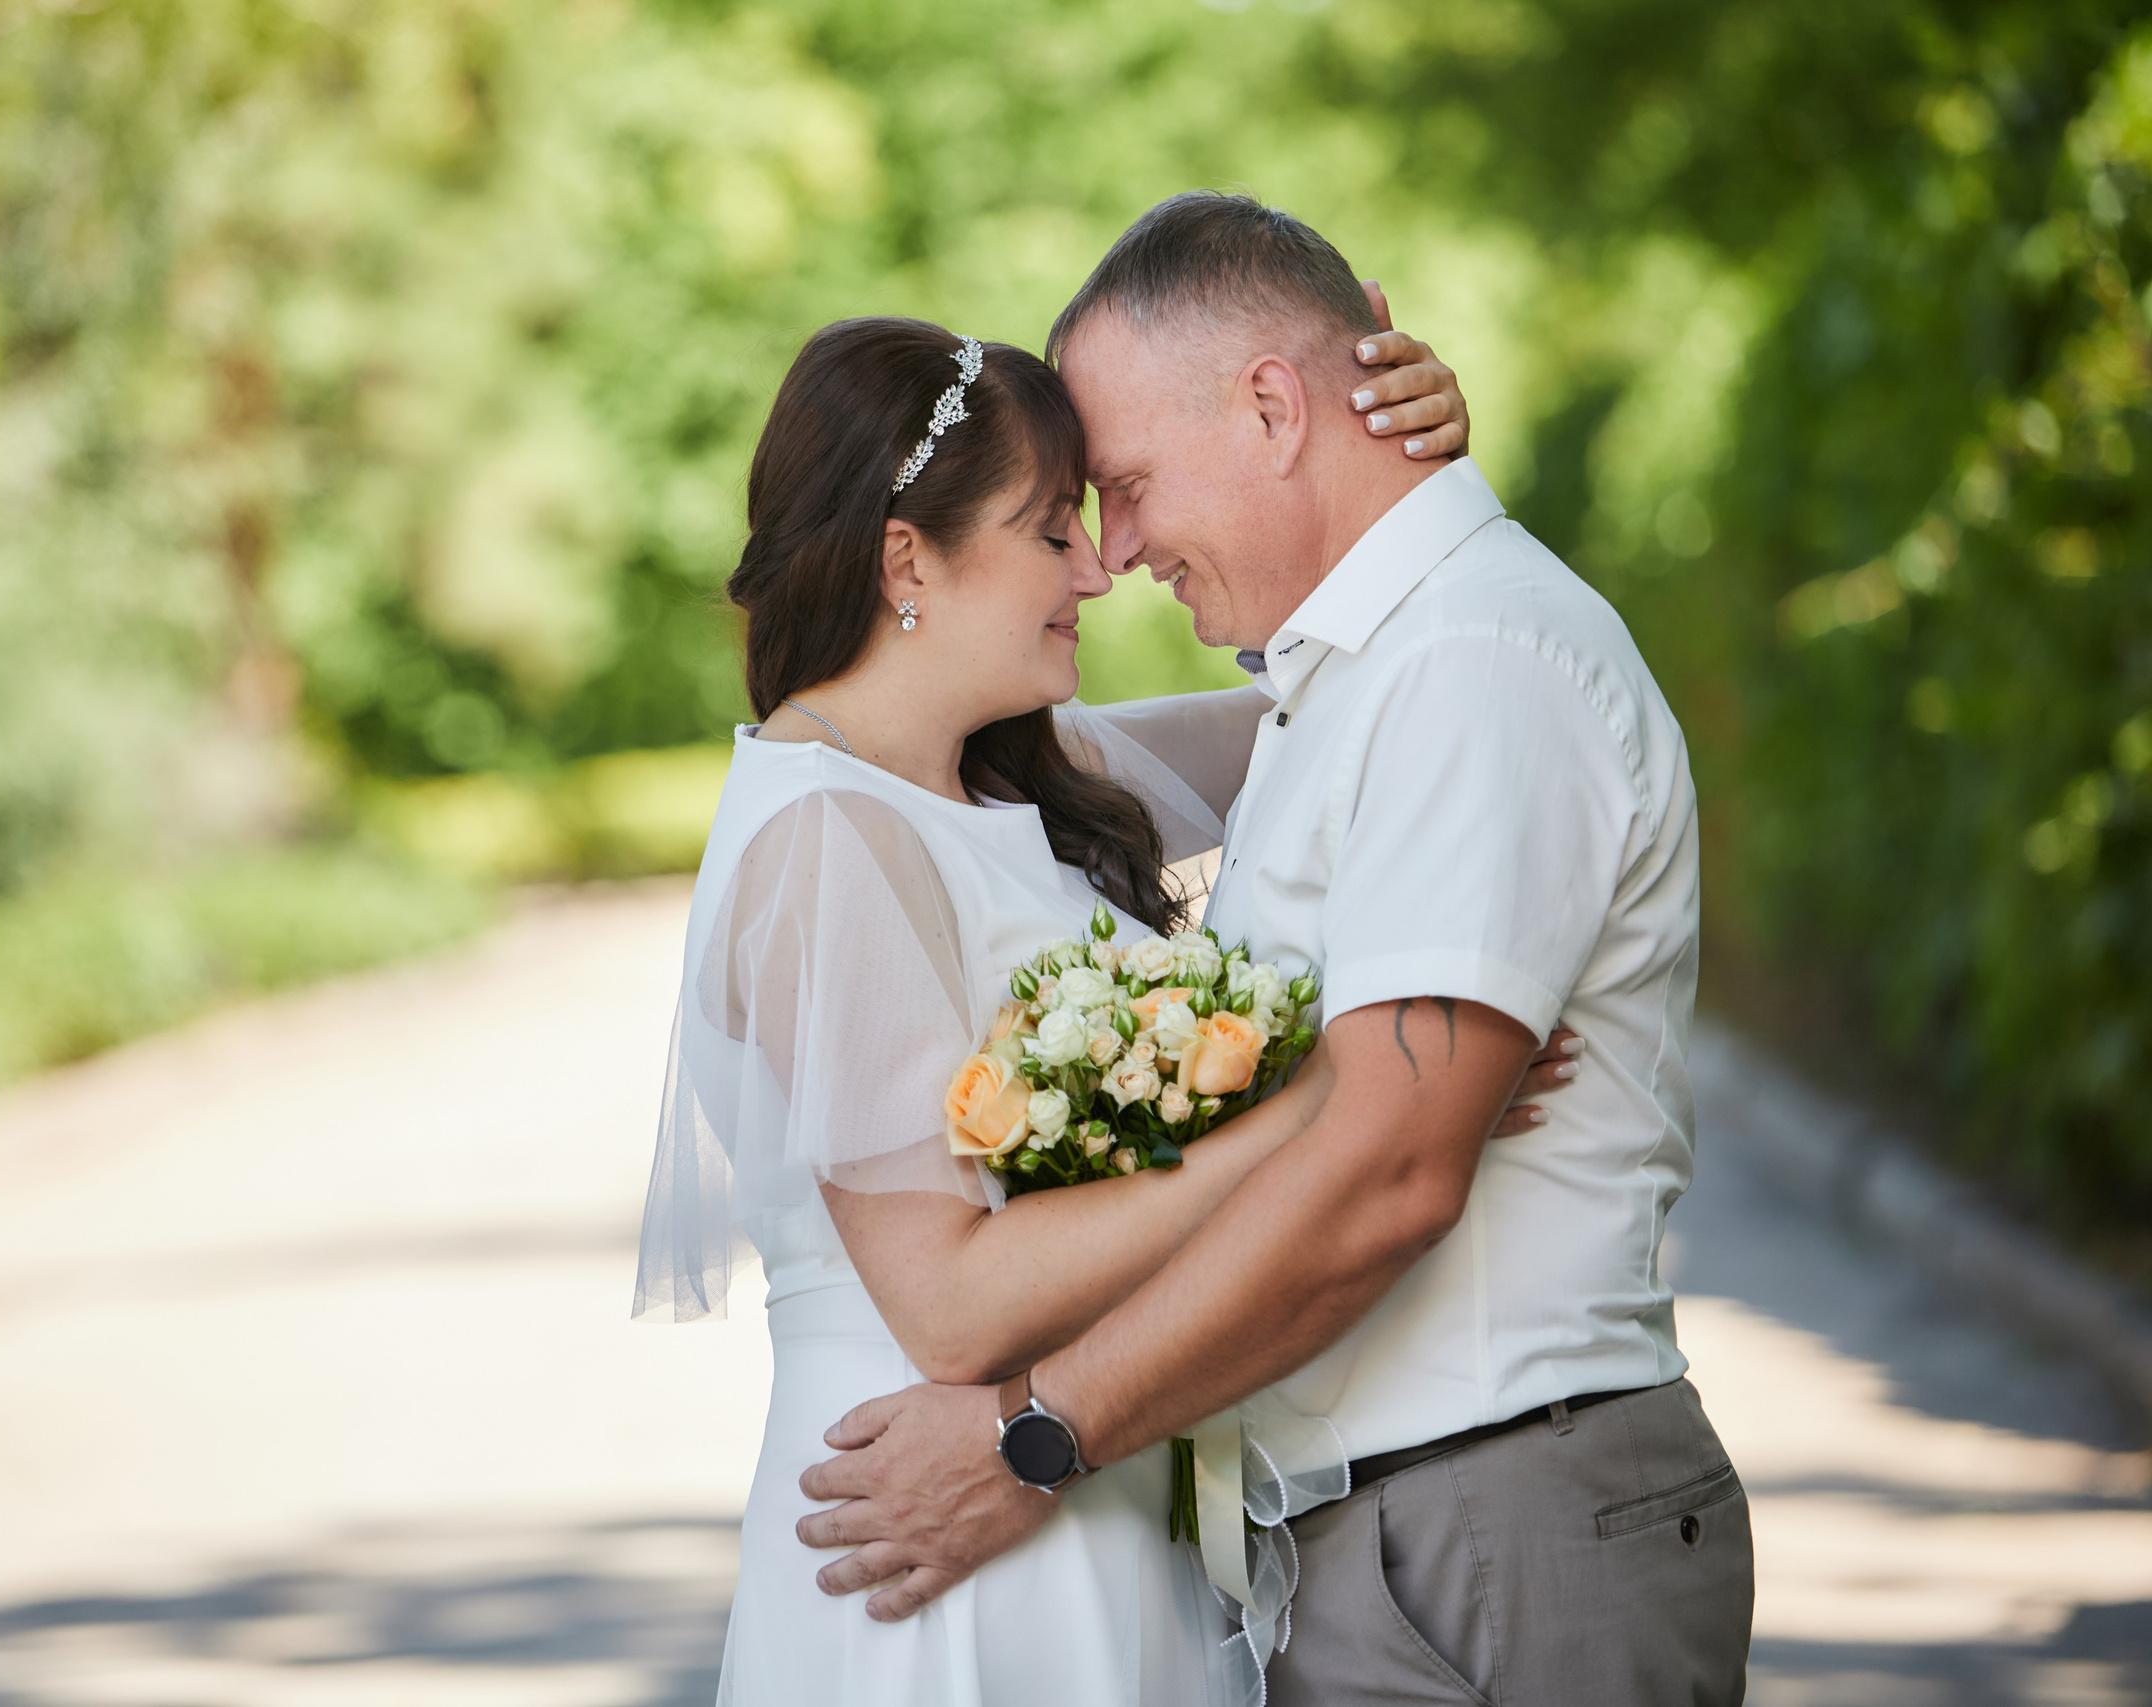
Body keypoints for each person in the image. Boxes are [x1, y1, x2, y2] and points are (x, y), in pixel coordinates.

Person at [797, 193, 1755, 1705]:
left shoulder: (1473, 662)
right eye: (1070, 519)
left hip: (1494, 1526)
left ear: (1269, 407)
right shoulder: (1348, 685)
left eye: (1122, 488)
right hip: (1394, 1542)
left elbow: (1388, 1172)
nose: (1115, 554)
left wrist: (1035, 1436)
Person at [635, 306, 1570, 1704]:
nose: (1098, 568)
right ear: (910, 561)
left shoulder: (999, 778)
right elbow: (947, 1306)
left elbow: (1339, 708)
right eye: (1048, 529)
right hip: (934, 1544)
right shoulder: (820, 841)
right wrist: (1341, 1109)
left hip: (1075, 1489)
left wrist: (1384, 478)